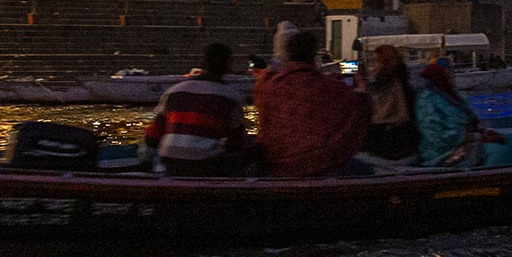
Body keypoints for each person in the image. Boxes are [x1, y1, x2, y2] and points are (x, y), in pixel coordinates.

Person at [256, 29, 367, 176]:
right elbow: (359, 106)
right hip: (322, 164)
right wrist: (362, 82)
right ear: (314, 56)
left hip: (277, 162)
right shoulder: (329, 87)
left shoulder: (268, 85)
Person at [144, 43, 259, 176]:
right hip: (205, 165)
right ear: (228, 65)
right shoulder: (231, 97)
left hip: (169, 162)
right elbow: (236, 142)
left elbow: (153, 136)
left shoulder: (174, 91)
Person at [416, 59, 512, 167]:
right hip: (444, 152)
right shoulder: (426, 100)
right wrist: (478, 137)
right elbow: (437, 138)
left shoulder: (455, 96)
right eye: (449, 72)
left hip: (470, 141)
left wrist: (485, 131)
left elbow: (469, 122)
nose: (452, 75)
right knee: (497, 152)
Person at [363, 45, 421, 159]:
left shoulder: (383, 86)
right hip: (407, 142)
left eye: (375, 61)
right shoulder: (405, 84)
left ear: (383, 62)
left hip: (388, 143)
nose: (372, 67)